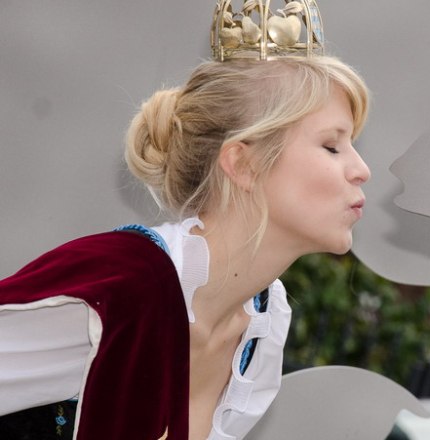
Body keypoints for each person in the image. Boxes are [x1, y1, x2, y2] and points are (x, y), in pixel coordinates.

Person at [0, 52, 371, 439]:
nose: (362, 169)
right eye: (332, 146)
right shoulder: (117, 287)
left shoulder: (263, 325)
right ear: (244, 164)